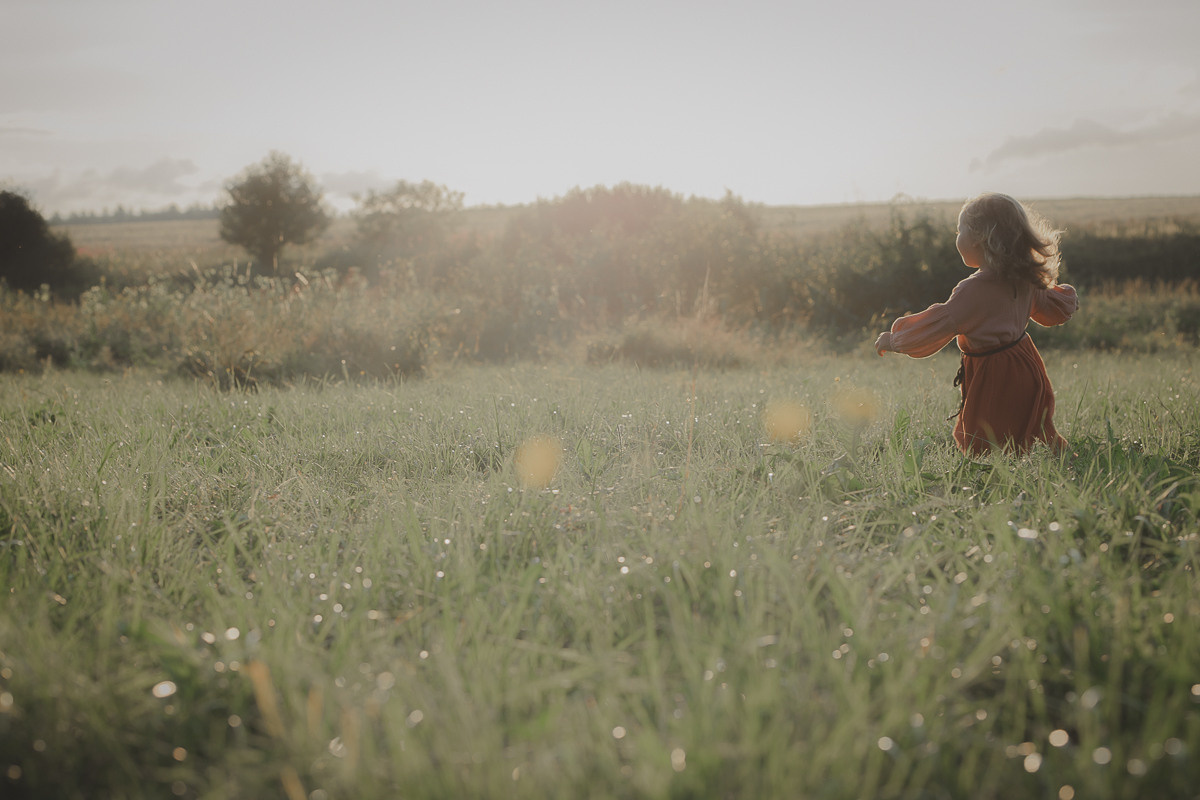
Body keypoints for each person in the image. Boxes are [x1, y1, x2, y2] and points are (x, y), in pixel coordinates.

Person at [874, 193, 1077, 456]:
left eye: (960, 230)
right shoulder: (1024, 277)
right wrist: (1069, 302)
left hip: (994, 372)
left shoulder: (972, 290)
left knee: (983, 434)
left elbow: (939, 325)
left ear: (981, 237)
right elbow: (1049, 309)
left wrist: (895, 340)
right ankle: (1058, 459)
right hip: (1027, 366)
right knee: (1032, 426)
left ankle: (988, 478)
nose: (956, 237)